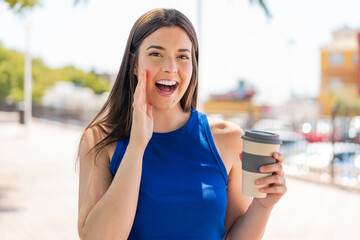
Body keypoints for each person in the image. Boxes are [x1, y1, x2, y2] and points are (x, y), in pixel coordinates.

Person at [77, 8, 286, 240]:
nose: (171, 67)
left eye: (182, 56)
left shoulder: (228, 139)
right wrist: (136, 146)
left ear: (193, 65)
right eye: (157, 54)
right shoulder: (99, 141)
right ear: (134, 63)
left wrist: (263, 206)